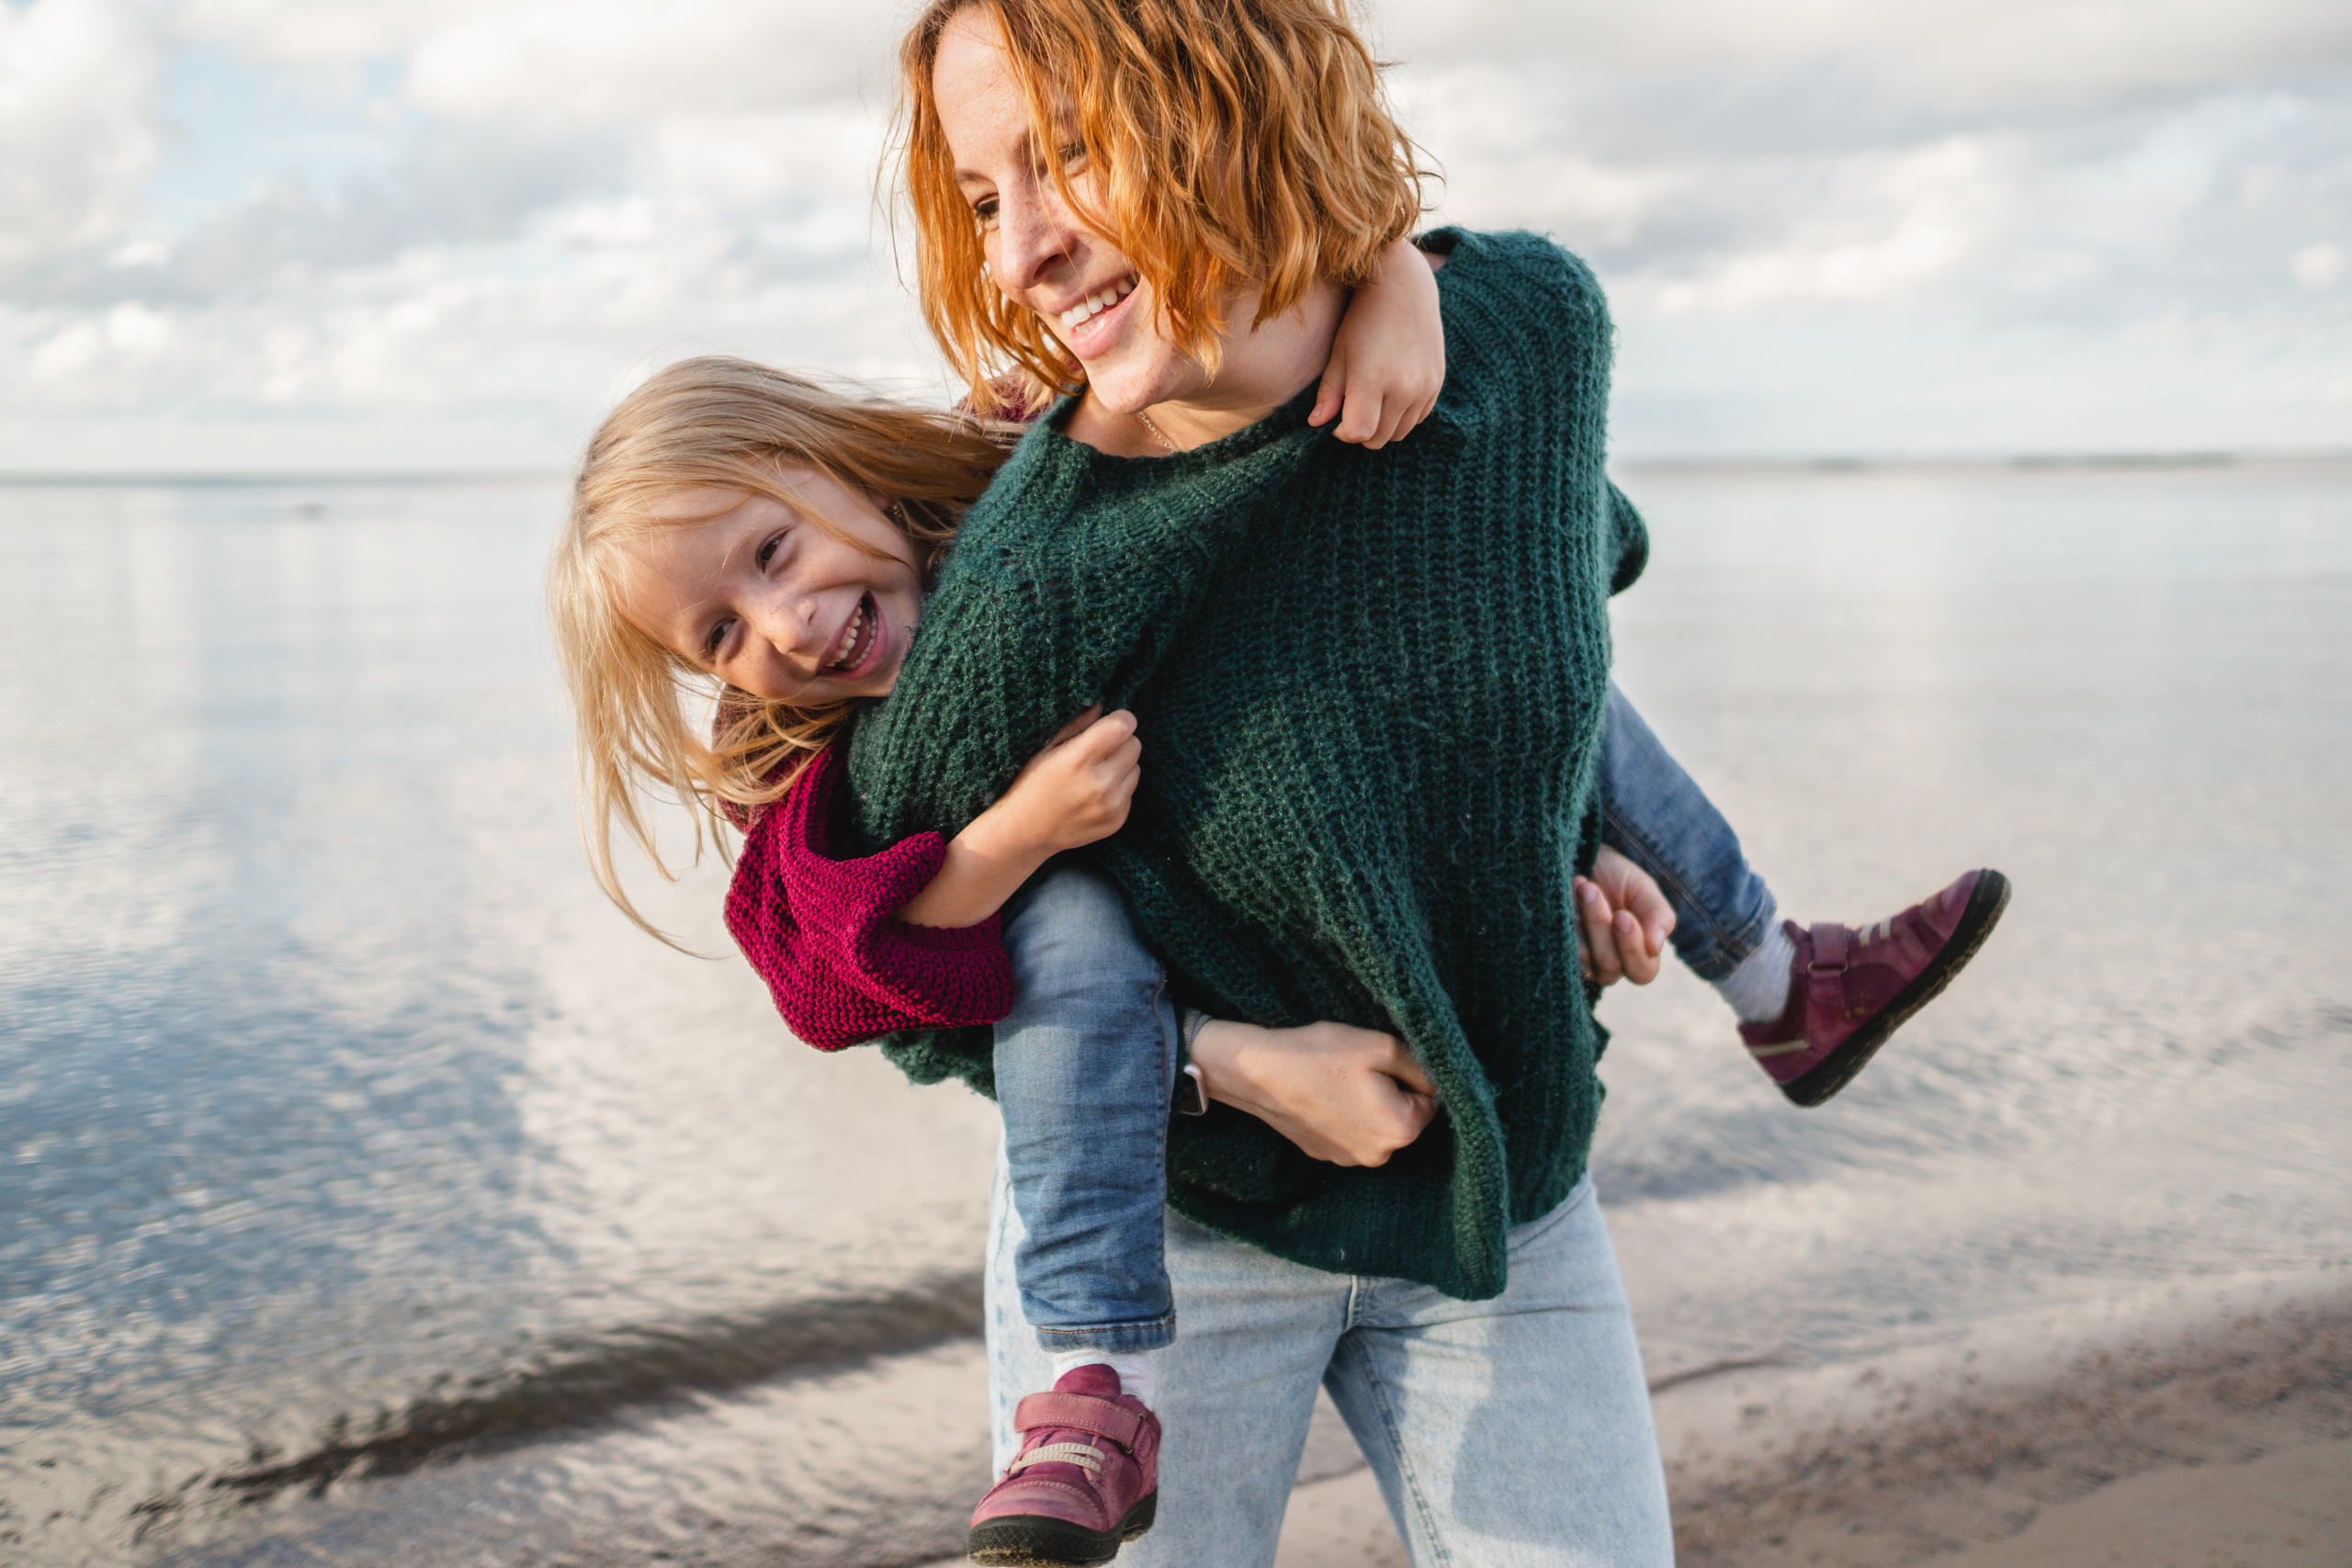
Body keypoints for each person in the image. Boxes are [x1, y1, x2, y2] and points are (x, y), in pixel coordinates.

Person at [548, 7, 2011, 1563]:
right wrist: (1218, 1060)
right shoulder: (1002, 607)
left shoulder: (1473, 343)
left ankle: (1776, 969)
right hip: (1179, 1234)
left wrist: (1548, 856)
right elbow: (858, 976)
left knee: (1573, 679)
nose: (1021, 249)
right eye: (986, 202)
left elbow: (1550, 587)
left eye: (1065, 160)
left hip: (1499, 1172)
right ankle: (1094, 1380)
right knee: (1073, 936)